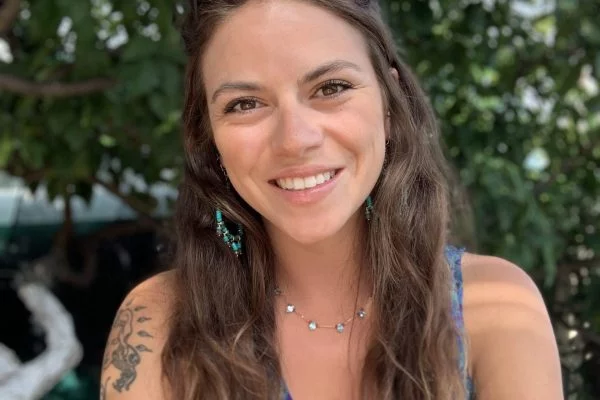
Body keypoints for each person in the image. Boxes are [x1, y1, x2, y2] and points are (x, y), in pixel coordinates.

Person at [100, 0, 563, 399]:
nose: (294, 140)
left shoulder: (494, 307)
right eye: (245, 104)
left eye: (331, 88)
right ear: (209, 138)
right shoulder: (160, 322)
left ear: (389, 101)